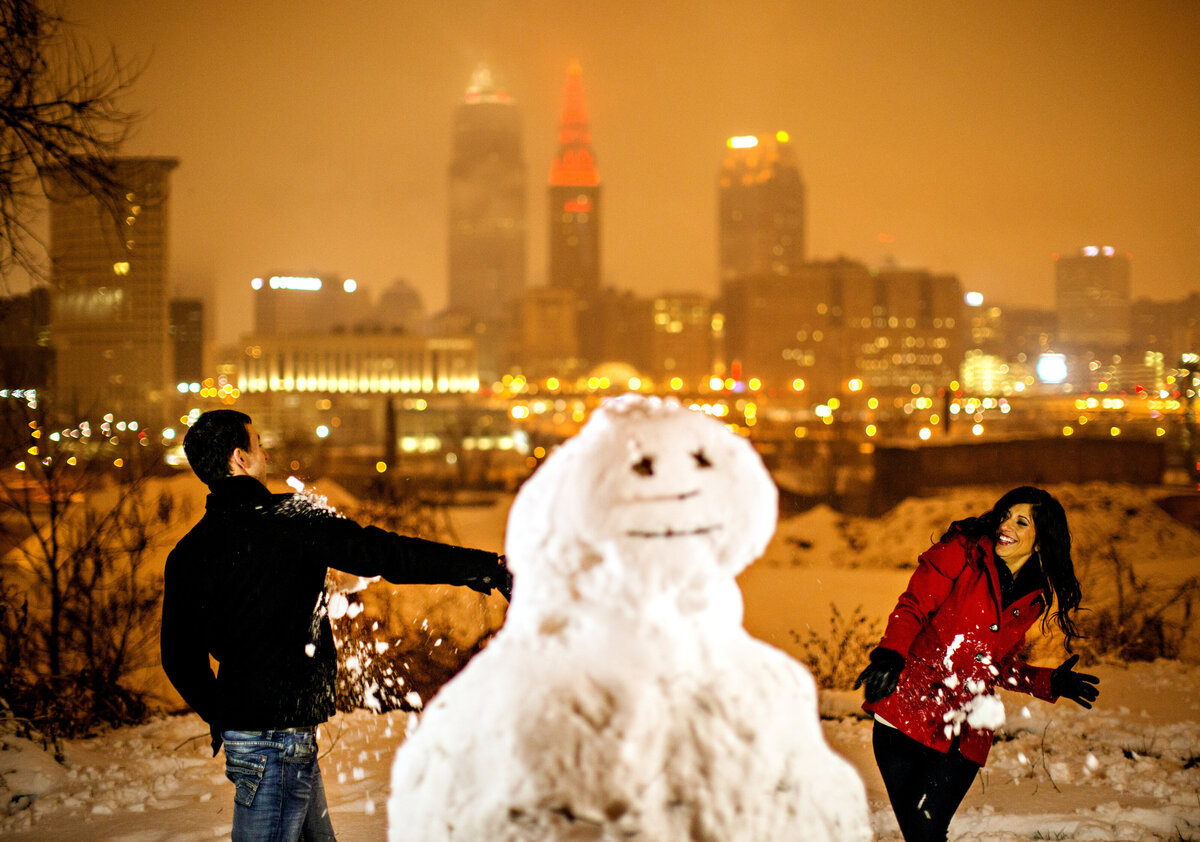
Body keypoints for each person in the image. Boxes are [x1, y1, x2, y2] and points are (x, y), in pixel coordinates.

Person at [161, 409, 510, 842]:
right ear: (239, 459)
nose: (265, 454)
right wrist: (486, 569)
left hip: (261, 735)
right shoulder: (293, 520)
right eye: (257, 445)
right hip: (280, 741)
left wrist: (225, 715)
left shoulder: (189, 551)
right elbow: (386, 554)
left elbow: (178, 657)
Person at [854, 485, 1099, 842]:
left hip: (966, 732)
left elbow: (992, 666)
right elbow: (913, 606)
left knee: (929, 831)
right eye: (1004, 516)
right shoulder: (962, 552)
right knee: (924, 834)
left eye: (1021, 522)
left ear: (1041, 539)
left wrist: (1048, 683)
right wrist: (890, 654)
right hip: (906, 716)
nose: (1006, 526)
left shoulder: (1034, 597)